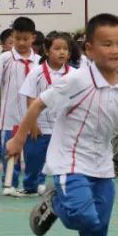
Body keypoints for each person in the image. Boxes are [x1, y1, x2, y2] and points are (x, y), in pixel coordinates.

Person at [7, 13, 118, 236]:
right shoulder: (76, 79)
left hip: (102, 166)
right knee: (83, 217)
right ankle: (56, 202)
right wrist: (18, 139)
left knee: (98, 229)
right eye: (107, 44)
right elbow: (38, 104)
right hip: (70, 161)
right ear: (90, 49)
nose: (115, 50)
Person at [0, 16, 41, 195]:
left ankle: (33, 183)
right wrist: (0, 104)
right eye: (17, 38)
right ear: (12, 36)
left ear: (33, 37)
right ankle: (9, 182)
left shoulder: (39, 62)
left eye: (25, 39)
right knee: (10, 150)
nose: (21, 42)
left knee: (34, 151)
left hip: (33, 116)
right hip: (10, 114)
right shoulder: (4, 59)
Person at [17, 32, 72, 196]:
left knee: (62, 159)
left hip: (64, 127)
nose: (62, 52)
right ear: (47, 51)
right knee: (34, 157)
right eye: (57, 48)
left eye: (65, 49)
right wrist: (33, 123)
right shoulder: (36, 72)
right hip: (41, 125)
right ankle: (30, 186)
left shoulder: (74, 74)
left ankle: (57, 185)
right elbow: (30, 98)